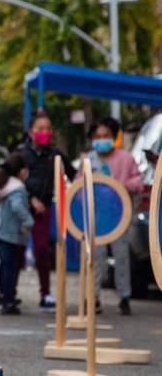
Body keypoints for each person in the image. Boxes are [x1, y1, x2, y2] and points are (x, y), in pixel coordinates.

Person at [80, 117, 143, 315]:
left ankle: (124, 297)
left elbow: (139, 181)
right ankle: (93, 297)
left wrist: (124, 186)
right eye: (97, 136)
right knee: (95, 257)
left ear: (114, 137)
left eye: (106, 136)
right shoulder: (88, 160)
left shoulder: (126, 158)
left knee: (121, 256)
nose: (101, 140)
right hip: (95, 217)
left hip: (119, 215)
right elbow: (77, 187)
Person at [18, 111, 76, 311]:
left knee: (42, 250)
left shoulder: (55, 154)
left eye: (48, 129)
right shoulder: (21, 153)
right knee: (15, 250)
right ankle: (8, 294)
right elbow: (9, 179)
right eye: (40, 129)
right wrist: (30, 198)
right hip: (20, 207)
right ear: (31, 131)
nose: (45, 132)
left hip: (45, 208)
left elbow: (74, 175)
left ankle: (46, 294)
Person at [0, 152, 34, 315]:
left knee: (4, 264)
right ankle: (9, 300)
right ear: (21, 171)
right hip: (9, 233)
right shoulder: (18, 188)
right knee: (10, 266)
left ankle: (2, 295)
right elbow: (17, 207)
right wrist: (28, 222)